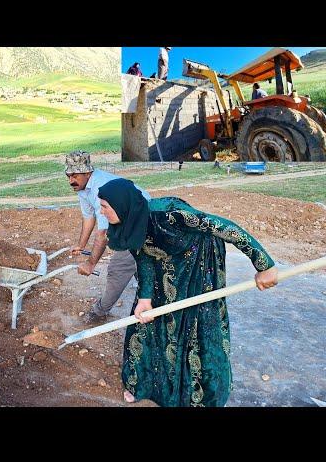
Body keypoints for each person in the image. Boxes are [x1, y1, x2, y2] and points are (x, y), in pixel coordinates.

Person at [96, 178, 279, 407]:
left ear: (121, 204)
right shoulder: (128, 223)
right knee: (147, 321)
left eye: (104, 206)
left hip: (199, 260)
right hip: (164, 261)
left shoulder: (170, 216)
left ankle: (200, 394)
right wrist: (145, 298)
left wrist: (264, 264)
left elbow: (225, 228)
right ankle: (144, 385)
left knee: (196, 324)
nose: (101, 212)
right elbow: (143, 257)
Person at [65, 150, 151, 324]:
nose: (70, 180)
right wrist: (81, 245)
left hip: (140, 219)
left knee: (118, 268)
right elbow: (89, 217)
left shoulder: (99, 188)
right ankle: (145, 283)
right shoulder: (82, 187)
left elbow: (103, 233)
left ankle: (99, 312)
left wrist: (90, 264)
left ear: (87, 172)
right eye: (68, 175)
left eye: (74, 175)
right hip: (126, 219)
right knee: (138, 259)